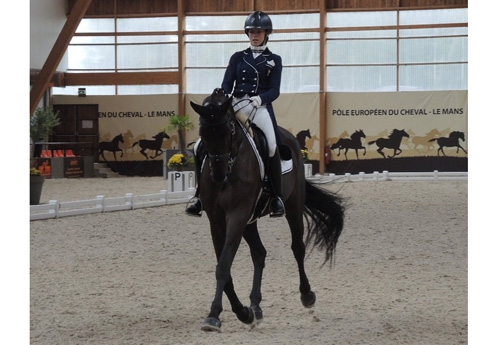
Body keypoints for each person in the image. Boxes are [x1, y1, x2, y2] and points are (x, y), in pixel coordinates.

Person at [186, 10, 285, 218]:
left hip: (259, 106)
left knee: (272, 145)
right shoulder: (238, 57)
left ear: (267, 33)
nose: (255, 35)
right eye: (251, 32)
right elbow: (226, 83)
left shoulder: (274, 60)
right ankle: (199, 195)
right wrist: (223, 98)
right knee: (198, 146)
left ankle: (276, 196)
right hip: (236, 104)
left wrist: (261, 98)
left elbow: (275, 89)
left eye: (259, 31)